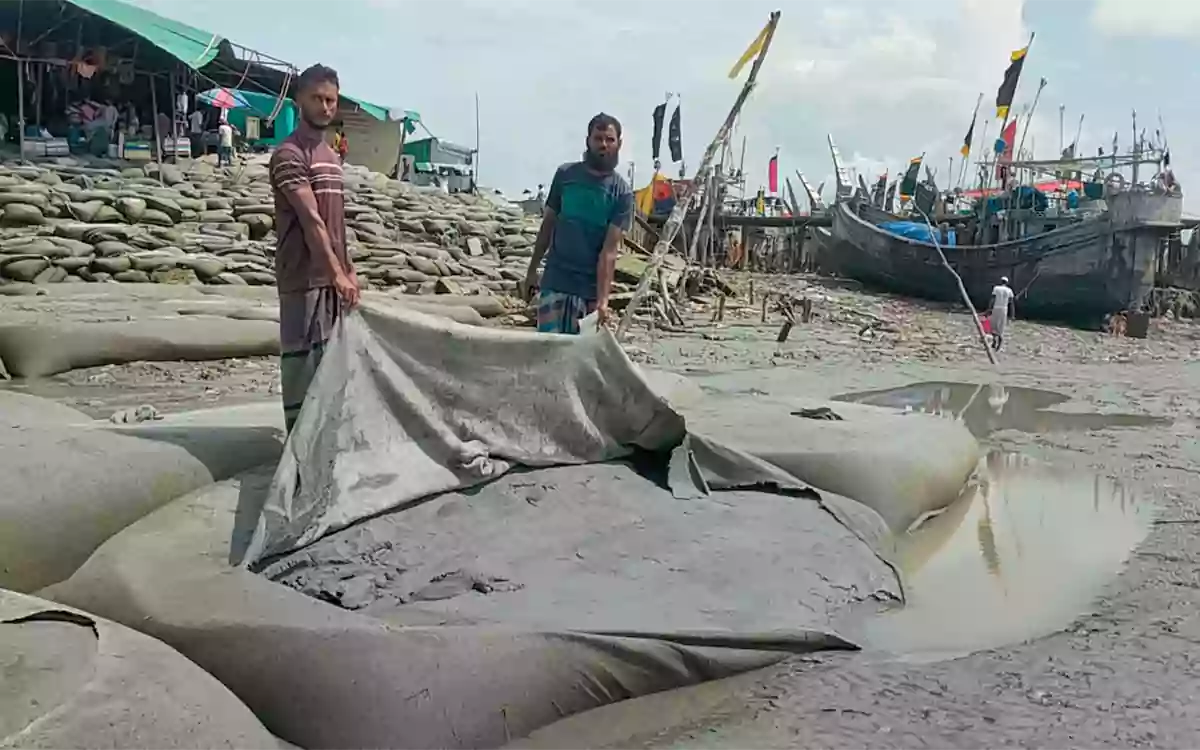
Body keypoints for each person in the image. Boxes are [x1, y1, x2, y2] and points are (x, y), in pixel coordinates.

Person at [269, 63, 359, 433]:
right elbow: (312, 221)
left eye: (331, 100)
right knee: (302, 366)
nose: (325, 107)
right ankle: (298, 445)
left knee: (332, 364)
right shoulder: (289, 155)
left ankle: (326, 440)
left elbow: (337, 223)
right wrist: (336, 273)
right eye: (317, 99)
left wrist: (349, 268)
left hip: (334, 279)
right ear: (299, 100)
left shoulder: (331, 157)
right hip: (303, 278)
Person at [520, 113, 633, 334]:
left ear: (619, 144)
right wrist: (532, 271)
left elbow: (609, 252)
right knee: (548, 354)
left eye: (610, 140)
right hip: (556, 282)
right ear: (588, 141)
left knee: (581, 361)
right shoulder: (565, 175)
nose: (603, 145)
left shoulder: (622, 193)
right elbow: (547, 226)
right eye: (598, 138)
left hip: (589, 291)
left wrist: (603, 301)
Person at [988, 275, 1015, 351]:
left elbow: (992, 299)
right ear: (1007, 282)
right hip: (1004, 309)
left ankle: (994, 341)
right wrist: (1012, 314)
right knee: (1001, 327)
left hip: (996, 308)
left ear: (1000, 281)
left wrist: (989, 309)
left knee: (993, 326)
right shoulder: (1009, 290)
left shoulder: (996, 288)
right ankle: (999, 345)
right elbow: (1011, 303)